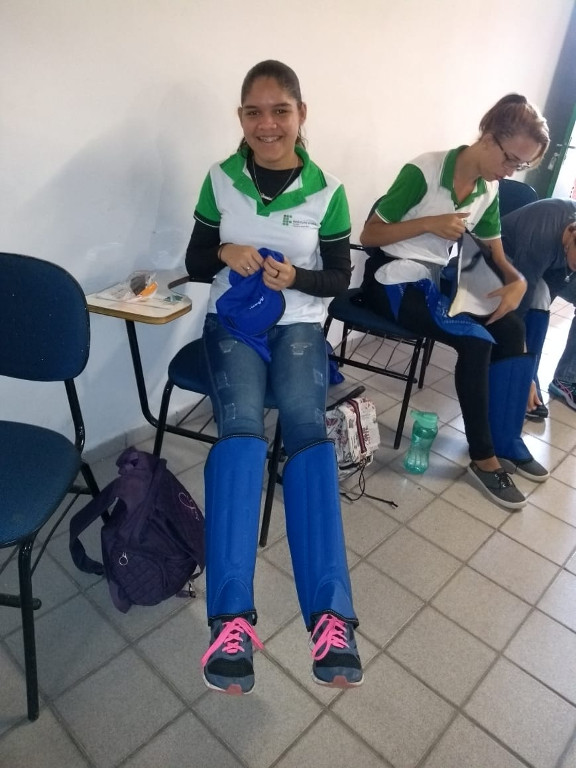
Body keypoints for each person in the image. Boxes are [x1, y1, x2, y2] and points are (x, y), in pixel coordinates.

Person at [185, 60, 363, 695]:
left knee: (307, 427)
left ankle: (332, 619)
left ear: (300, 114)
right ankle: (229, 619)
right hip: (235, 322)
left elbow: (339, 278)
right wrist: (225, 251)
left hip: (299, 324)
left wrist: (299, 278)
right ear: (240, 118)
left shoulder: (328, 189)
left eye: (280, 111)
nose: (267, 125)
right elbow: (194, 259)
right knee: (240, 430)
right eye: (254, 112)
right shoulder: (220, 178)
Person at [359, 94, 550, 510]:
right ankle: (484, 458)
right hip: (391, 278)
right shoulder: (424, 169)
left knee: (511, 326)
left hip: (431, 281)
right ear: (489, 135)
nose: (510, 170)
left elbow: (495, 253)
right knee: (476, 341)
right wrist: (429, 223)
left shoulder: (488, 189)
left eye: (521, 166)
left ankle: (506, 439)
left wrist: (516, 281)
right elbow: (369, 235)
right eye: (510, 158)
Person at [500, 198, 576, 416]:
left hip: (550, 264)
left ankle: (566, 379)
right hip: (503, 255)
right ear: (572, 235)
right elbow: (518, 310)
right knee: (536, 299)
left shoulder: (569, 247)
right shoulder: (542, 235)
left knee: (542, 299)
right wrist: (525, 375)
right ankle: (520, 377)